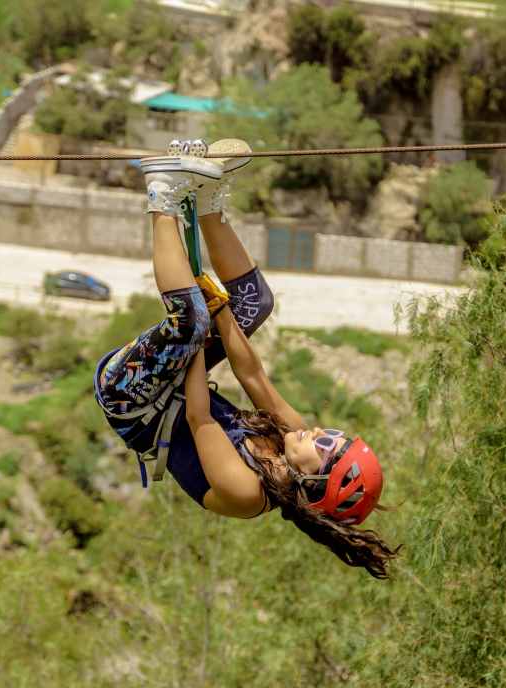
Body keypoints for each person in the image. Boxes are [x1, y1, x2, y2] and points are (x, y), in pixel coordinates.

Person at [92, 140, 398, 579]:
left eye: (326, 446)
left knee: (190, 322)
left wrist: (199, 317)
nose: (320, 432)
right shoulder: (291, 435)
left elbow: (200, 419)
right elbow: (251, 374)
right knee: (255, 304)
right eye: (334, 435)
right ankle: (208, 200)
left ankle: (162, 196)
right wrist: (223, 311)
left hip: (133, 401)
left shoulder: (246, 493)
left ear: (312, 483)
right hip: (178, 385)